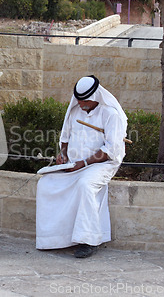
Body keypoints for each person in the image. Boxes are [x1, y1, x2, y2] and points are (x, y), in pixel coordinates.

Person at [36, 75, 127, 258]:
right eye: (79, 100)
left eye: (85, 101)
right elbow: (65, 139)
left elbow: (110, 150)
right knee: (45, 184)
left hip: (101, 164)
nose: (81, 104)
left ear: (95, 97)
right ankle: (54, 238)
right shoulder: (75, 111)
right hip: (74, 164)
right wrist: (62, 154)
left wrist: (83, 163)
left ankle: (89, 240)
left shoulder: (110, 114)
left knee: (85, 185)